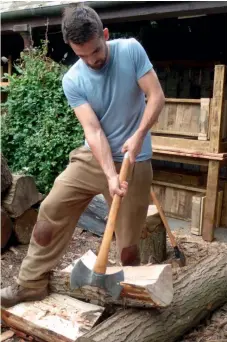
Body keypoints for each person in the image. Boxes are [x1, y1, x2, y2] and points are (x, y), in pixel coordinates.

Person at [1, 5, 165, 308]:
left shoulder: (130, 51)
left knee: (129, 242)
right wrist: (111, 175)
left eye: (95, 52)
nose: (91, 61)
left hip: (136, 159)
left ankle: (129, 298)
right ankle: (31, 283)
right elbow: (94, 131)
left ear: (104, 35)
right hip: (93, 157)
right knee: (50, 209)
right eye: (82, 55)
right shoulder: (73, 80)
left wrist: (139, 134)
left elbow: (156, 96)